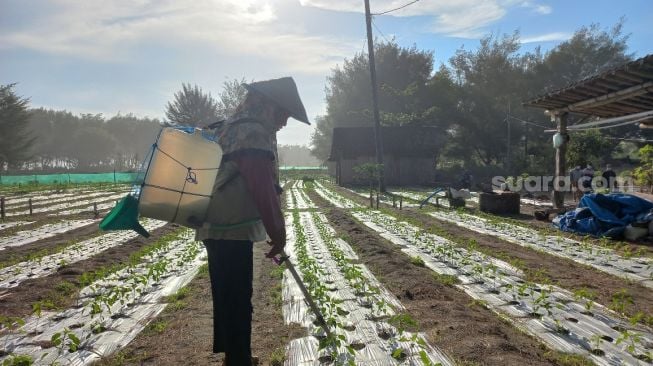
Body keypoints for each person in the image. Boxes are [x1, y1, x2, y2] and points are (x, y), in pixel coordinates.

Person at [196, 77, 310, 365]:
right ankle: (239, 359)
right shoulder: (252, 133)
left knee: (227, 293)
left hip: (216, 223)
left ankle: (236, 355)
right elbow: (262, 186)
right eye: (283, 113)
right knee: (237, 295)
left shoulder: (232, 126)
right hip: (229, 226)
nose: (284, 121)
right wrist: (278, 231)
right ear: (267, 107)